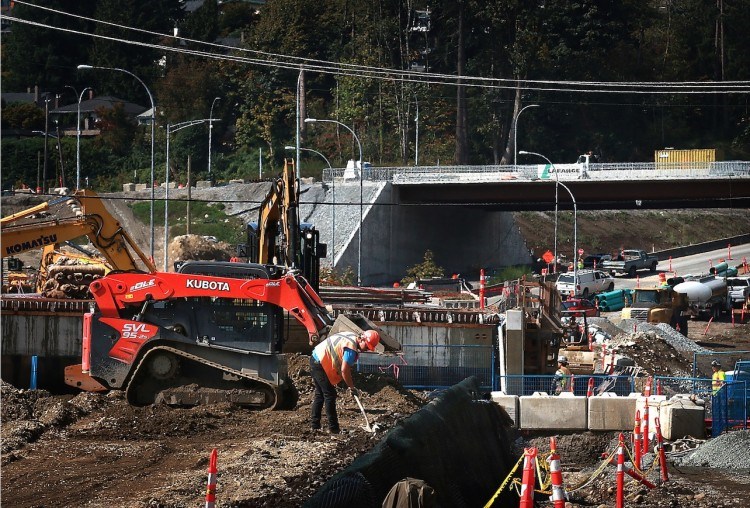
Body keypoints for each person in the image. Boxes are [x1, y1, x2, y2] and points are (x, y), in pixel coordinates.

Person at [309, 329, 381, 434]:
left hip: (316, 359)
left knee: (320, 394)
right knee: (330, 395)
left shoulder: (351, 336)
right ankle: (333, 429)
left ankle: (314, 426)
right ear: (362, 340)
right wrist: (351, 387)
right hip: (319, 363)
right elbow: (344, 370)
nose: (366, 350)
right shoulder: (351, 349)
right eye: (366, 347)